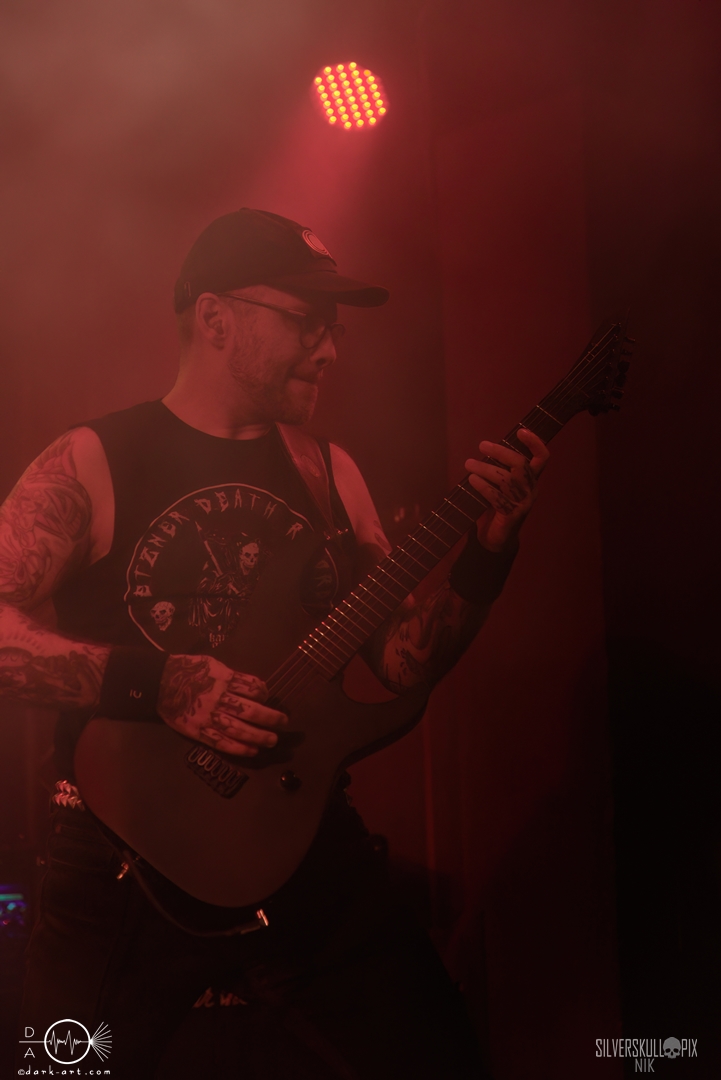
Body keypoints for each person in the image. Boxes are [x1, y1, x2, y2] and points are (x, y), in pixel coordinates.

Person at [1, 209, 549, 1078]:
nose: (328, 349)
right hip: (122, 860)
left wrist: (487, 555)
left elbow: (402, 659)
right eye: (304, 321)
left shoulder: (329, 473)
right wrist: (159, 683)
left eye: (333, 329)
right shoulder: (94, 460)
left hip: (302, 844)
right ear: (215, 318)